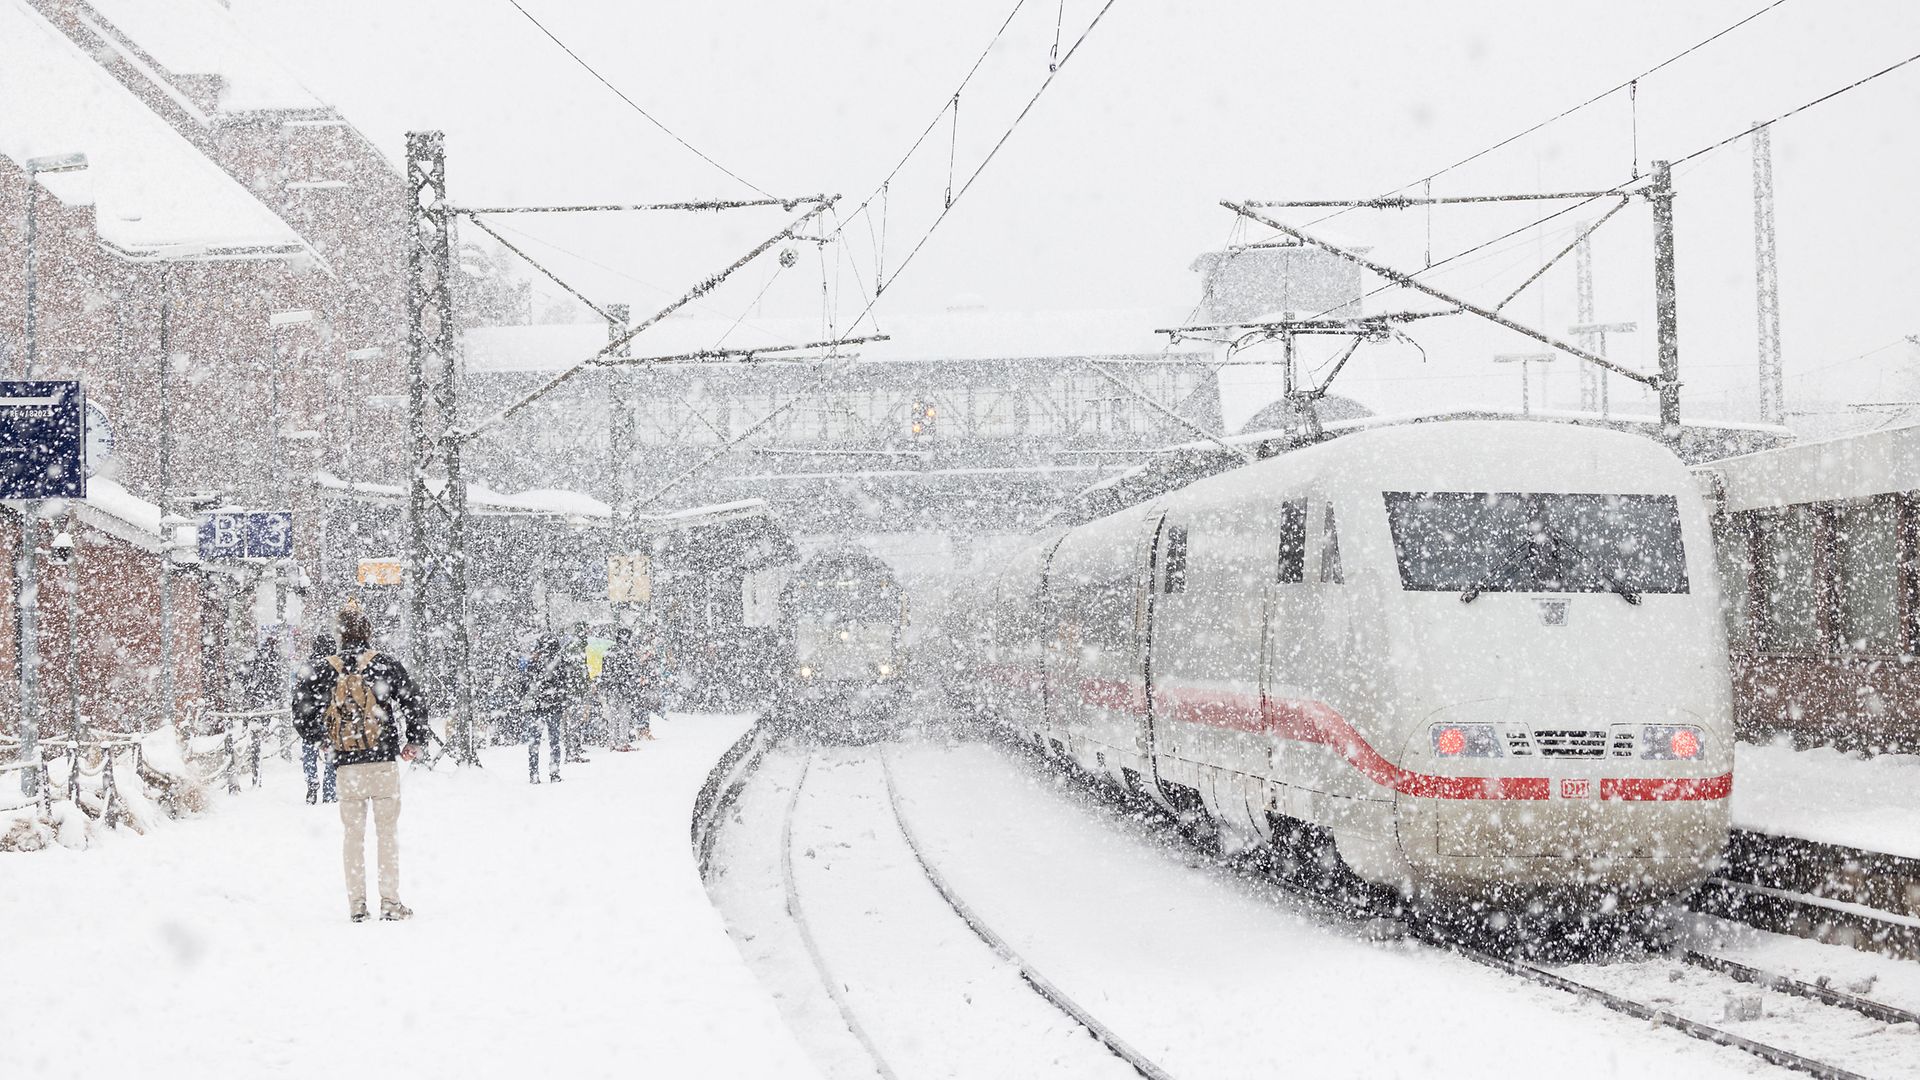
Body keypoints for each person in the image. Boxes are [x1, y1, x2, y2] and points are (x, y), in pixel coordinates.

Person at [292, 601, 428, 923]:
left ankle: (357, 905)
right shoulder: (384, 664)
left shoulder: (324, 669)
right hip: (382, 762)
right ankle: (390, 902)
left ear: (339, 635)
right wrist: (414, 739)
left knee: (353, 836)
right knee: (387, 834)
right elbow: (413, 699)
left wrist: (320, 738)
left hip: (346, 764)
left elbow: (300, 709)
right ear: (368, 632)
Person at [524, 633, 583, 783]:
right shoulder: (559, 662)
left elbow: (526, 684)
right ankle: (554, 772)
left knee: (534, 743)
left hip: (536, 707)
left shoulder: (534, 662)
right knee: (554, 742)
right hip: (554, 706)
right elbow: (564, 684)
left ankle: (534, 774)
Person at [296, 633, 340, 805]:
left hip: (310, 717)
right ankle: (329, 791)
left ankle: (312, 780)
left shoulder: (307, 667)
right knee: (332, 753)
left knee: (309, 750)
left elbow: (299, 695)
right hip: (330, 716)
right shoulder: (336, 666)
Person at [600, 628, 648, 751]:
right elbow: (633, 672)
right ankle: (623, 742)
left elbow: (604, 672)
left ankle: (612, 741)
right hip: (624, 690)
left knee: (612, 717)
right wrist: (633, 686)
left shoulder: (609, 652)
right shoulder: (629, 652)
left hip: (611, 689)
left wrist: (606, 686)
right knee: (624, 717)